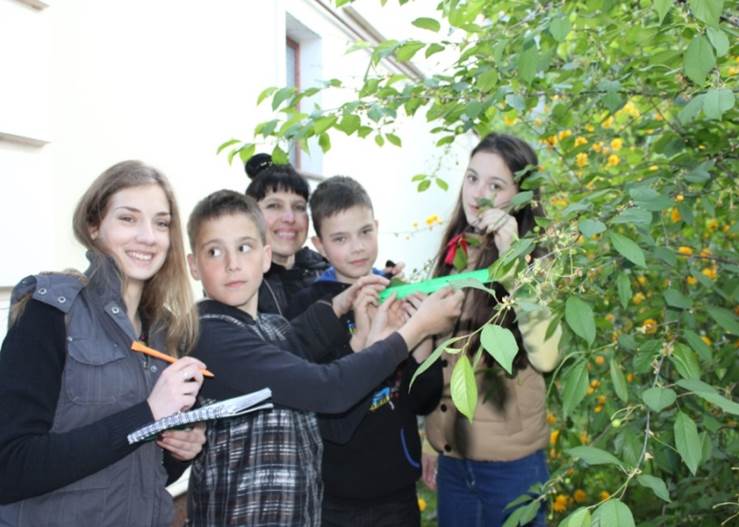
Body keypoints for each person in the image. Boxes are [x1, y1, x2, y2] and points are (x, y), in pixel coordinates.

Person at [183, 190, 463, 527]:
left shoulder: (271, 328)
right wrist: (416, 330)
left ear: (266, 256)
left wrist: (366, 338)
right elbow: (328, 388)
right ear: (193, 265)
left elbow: (335, 418)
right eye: (215, 251)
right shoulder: (210, 334)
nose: (232, 263)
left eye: (244, 247)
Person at [0, 160, 208, 527]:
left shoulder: (166, 332)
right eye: (128, 218)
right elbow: (10, 467)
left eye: (161, 223)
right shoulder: (50, 311)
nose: (148, 236)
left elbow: (137, 474)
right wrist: (148, 414)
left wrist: (180, 452)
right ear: (94, 225)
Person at [422, 133, 563, 527]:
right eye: (472, 178)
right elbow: (441, 354)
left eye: (495, 185)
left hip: (511, 469)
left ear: (521, 197)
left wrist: (513, 259)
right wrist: (430, 439)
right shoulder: (457, 249)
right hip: (453, 463)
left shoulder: (537, 260)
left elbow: (547, 356)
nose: (478, 194)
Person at [288, 176, 444, 526]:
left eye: (364, 232)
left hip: (398, 490)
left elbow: (424, 400)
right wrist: (360, 341)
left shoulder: (401, 295)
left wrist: (423, 338)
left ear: (376, 226)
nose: (357, 247)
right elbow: (321, 402)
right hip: (333, 494)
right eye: (340, 239)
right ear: (319, 245)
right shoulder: (309, 311)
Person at [245, 153, 329, 316]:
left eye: (299, 207)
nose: (289, 218)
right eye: (274, 206)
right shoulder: (239, 283)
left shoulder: (328, 272)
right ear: (250, 215)